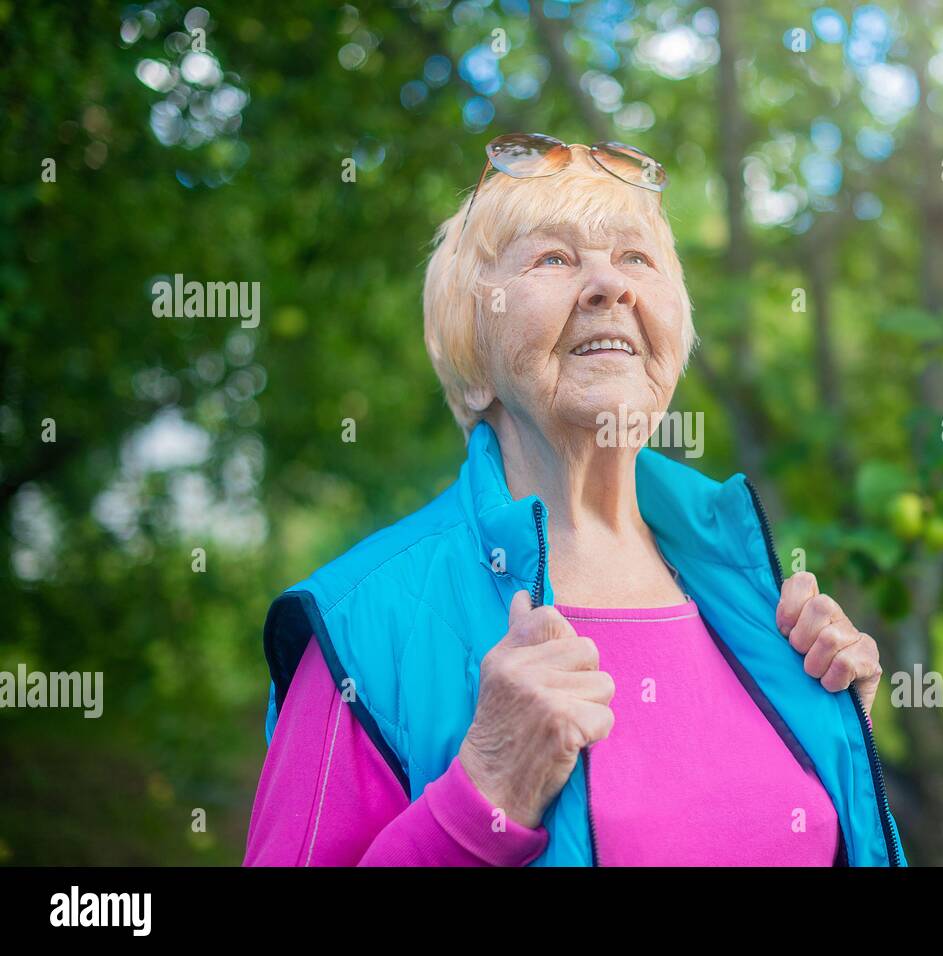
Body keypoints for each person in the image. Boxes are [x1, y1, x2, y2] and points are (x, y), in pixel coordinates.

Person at [244, 133, 906, 866]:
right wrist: (482, 798)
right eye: (552, 258)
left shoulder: (763, 609)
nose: (609, 286)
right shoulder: (364, 625)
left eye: (634, 258)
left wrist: (837, 728)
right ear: (473, 369)